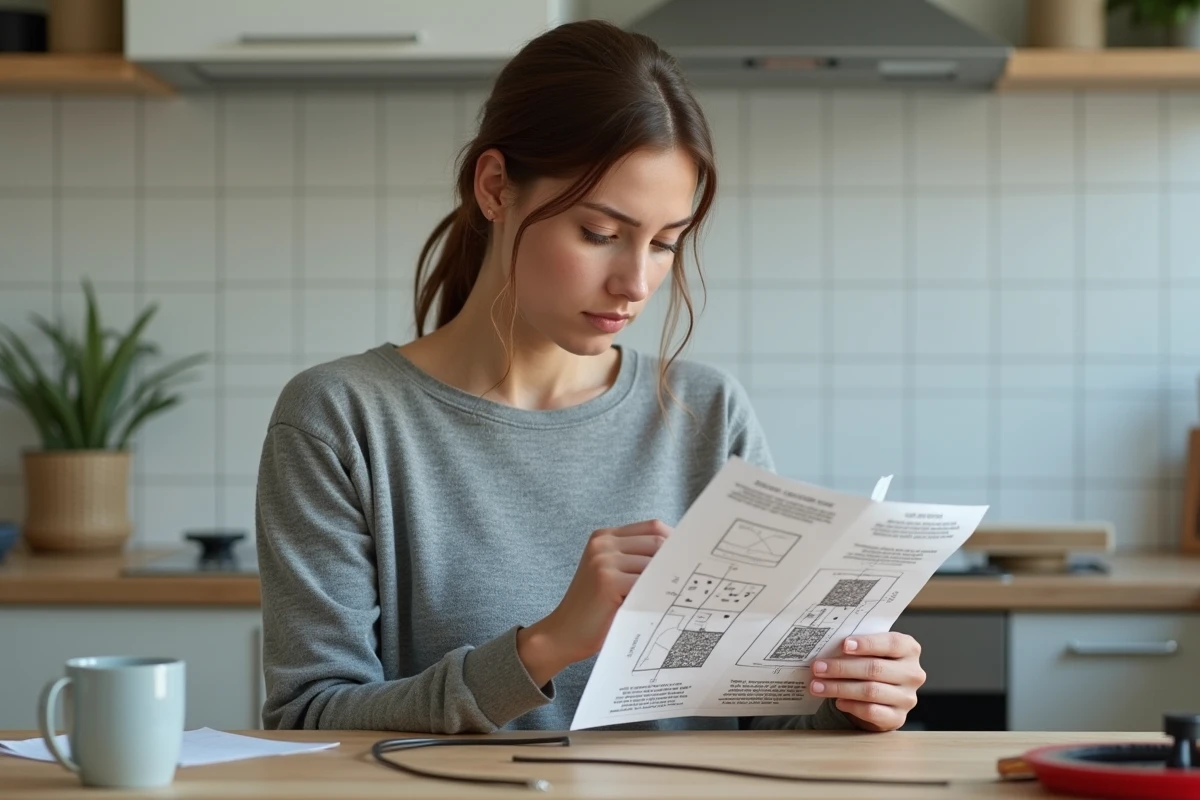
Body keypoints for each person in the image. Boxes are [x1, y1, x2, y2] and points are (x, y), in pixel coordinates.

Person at [255, 19, 925, 735]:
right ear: (493, 186)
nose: (636, 282)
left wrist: (851, 703)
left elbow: (763, 726)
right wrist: (546, 645)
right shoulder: (343, 418)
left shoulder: (709, 413)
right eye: (600, 234)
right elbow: (309, 718)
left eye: (666, 243)